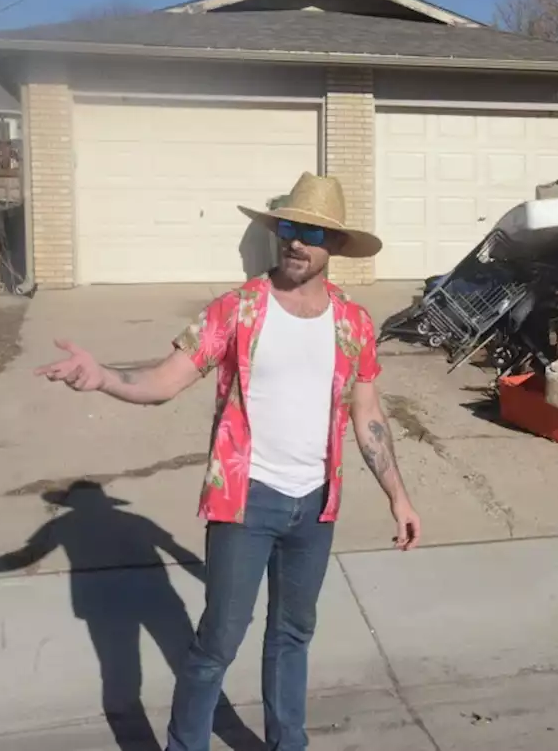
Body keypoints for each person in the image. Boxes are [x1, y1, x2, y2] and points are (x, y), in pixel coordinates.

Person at [35, 172, 422, 751]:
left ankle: (287, 743)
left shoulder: (354, 323)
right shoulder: (237, 309)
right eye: (289, 227)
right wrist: (105, 378)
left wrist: (398, 495)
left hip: (317, 505)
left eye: (313, 232)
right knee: (218, 641)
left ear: (334, 246)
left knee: (293, 633)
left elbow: (366, 411)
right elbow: (166, 381)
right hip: (246, 500)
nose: (297, 241)